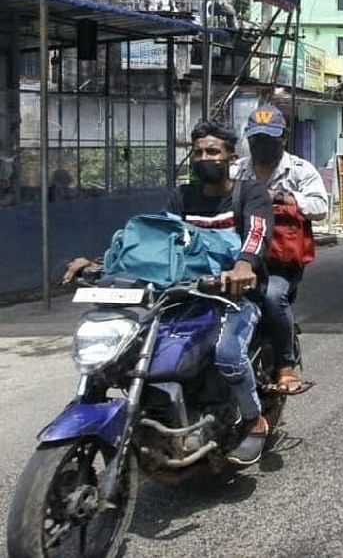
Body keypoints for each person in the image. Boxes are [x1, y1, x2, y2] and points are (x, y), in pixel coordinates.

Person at [63, 121, 275, 465]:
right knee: (128, 349)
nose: (204, 157)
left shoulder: (248, 192)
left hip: (233, 295)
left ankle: (253, 420)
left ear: (230, 157)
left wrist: (244, 265)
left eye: (212, 152)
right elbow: (159, 244)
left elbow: (257, 231)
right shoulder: (183, 196)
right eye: (199, 151)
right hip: (183, 295)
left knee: (228, 353)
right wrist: (103, 265)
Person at [233, 106, 329, 394]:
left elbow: (321, 207)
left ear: (283, 139)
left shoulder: (299, 170)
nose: (262, 145)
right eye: (256, 139)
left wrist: (283, 197)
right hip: (240, 259)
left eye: (269, 139)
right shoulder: (236, 171)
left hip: (280, 263)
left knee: (273, 297)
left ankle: (286, 365)